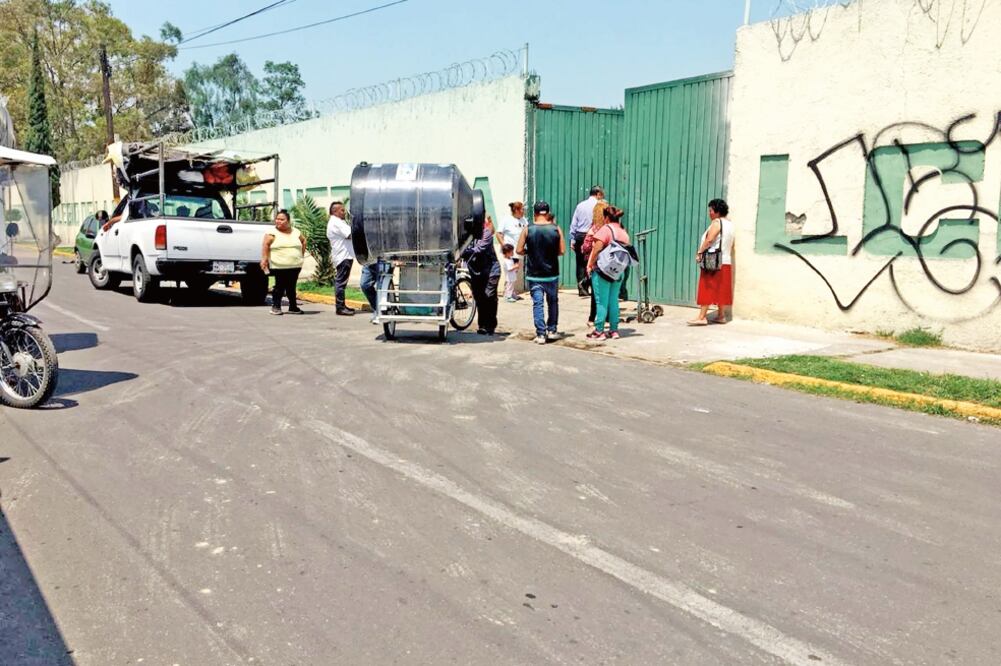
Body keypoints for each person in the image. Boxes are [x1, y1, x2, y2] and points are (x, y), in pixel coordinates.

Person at [516, 201, 565, 345]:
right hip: (551, 274)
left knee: (538, 304)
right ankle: (552, 330)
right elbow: (562, 251)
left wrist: (530, 252)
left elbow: (518, 250)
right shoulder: (556, 229)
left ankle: (541, 334)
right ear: (548, 213)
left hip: (534, 274)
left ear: (535, 213)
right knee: (553, 302)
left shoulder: (527, 229)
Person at [689, 198, 735, 326]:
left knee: (706, 286)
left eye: (711, 210)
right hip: (725, 260)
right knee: (721, 288)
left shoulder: (716, 223)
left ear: (717, 211)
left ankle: (702, 317)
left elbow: (710, 240)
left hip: (713, 259)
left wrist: (699, 252)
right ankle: (721, 316)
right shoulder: (730, 224)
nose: (709, 213)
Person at [586, 206, 630, 340]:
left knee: (601, 302)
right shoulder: (623, 232)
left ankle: (599, 330)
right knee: (613, 301)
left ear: (606, 217)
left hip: (602, 271)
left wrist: (590, 264)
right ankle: (614, 330)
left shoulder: (605, 230)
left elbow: (597, 249)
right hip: (617, 272)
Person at [261, 209, 306, 315]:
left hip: (295, 265)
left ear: (288, 221)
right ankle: (276, 307)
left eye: (282, 219)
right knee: (279, 286)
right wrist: (264, 259)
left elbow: (303, 241)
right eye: (277, 219)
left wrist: (301, 255)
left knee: (291, 286)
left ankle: (293, 307)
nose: (278, 221)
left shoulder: (296, 231)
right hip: (279, 265)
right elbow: (265, 245)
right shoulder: (272, 233)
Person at [461, 216, 500, 335]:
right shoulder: (466, 235)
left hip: (491, 271)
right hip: (476, 271)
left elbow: (479, 249)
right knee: (479, 298)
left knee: (489, 296)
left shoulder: (486, 233)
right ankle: (482, 325)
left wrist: (462, 252)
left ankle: (490, 325)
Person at [569, 185, 604, 297]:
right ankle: (594, 287)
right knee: (594, 261)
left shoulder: (580, 205)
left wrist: (573, 239)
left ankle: (582, 289)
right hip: (593, 235)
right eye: (602, 193)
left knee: (580, 262)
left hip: (580, 234)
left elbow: (574, 223)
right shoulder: (600, 205)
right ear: (598, 194)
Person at [325, 200, 355, 316]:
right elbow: (350, 234)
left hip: (343, 255)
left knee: (341, 282)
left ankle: (342, 305)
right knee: (341, 282)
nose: (344, 212)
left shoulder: (336, 222)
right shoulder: (337, 223)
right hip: (343, 256)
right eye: (342, 210)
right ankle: (340, 307)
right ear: (335, 211)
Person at [494, 201, 528, 299]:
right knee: (511, 273)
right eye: (522, 209)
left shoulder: (524, 220)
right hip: (510, 252)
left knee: (515, 273)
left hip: (519, 251)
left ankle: (512, 292)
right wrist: (504, 246)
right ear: (516, 210)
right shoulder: (506, 220)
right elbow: (498, 234)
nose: (523, 211)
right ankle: (507, 294)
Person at [583, 201, 608, 326]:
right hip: (609, 264)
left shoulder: (593, 229)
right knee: (608, 293)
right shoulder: (610, 228)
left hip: (596, 264)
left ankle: (592, 318)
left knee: (595, 295)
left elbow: (585, 247)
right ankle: (607, 317)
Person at [360, 259, 390, 324]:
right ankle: (377, 309)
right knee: (364, 285)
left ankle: (380, 311)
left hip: (384, 260)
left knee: (382, 287)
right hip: (369, 261)